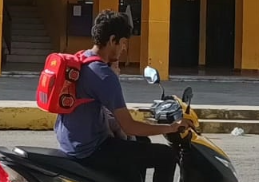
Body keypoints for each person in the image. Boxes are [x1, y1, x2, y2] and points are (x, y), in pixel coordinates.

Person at [55, 10, 191, 182]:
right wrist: (171, 127)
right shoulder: (103, 74)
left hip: (71, 142)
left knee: (143, 142)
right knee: (166, 156)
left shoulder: (83, 58)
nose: (124, 49)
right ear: (112, 40)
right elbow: (129, 126)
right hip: (90, 150)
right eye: (123, 43)